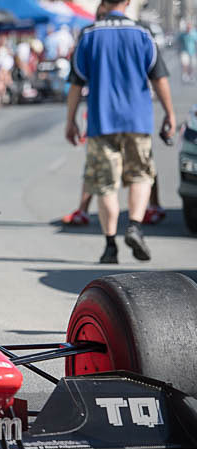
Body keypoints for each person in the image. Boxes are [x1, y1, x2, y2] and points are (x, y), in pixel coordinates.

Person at [65, 0, 175, 264]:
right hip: (137, 120)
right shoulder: (142, 33)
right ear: (127, 2)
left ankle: (110, 245)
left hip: (101, 121)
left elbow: (76, 84)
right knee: (141, 175)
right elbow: (158, 78)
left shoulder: (89, 35)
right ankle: (135, 226)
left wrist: (70, 121)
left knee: (105, 185)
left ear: (104, 2)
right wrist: (170, 113)